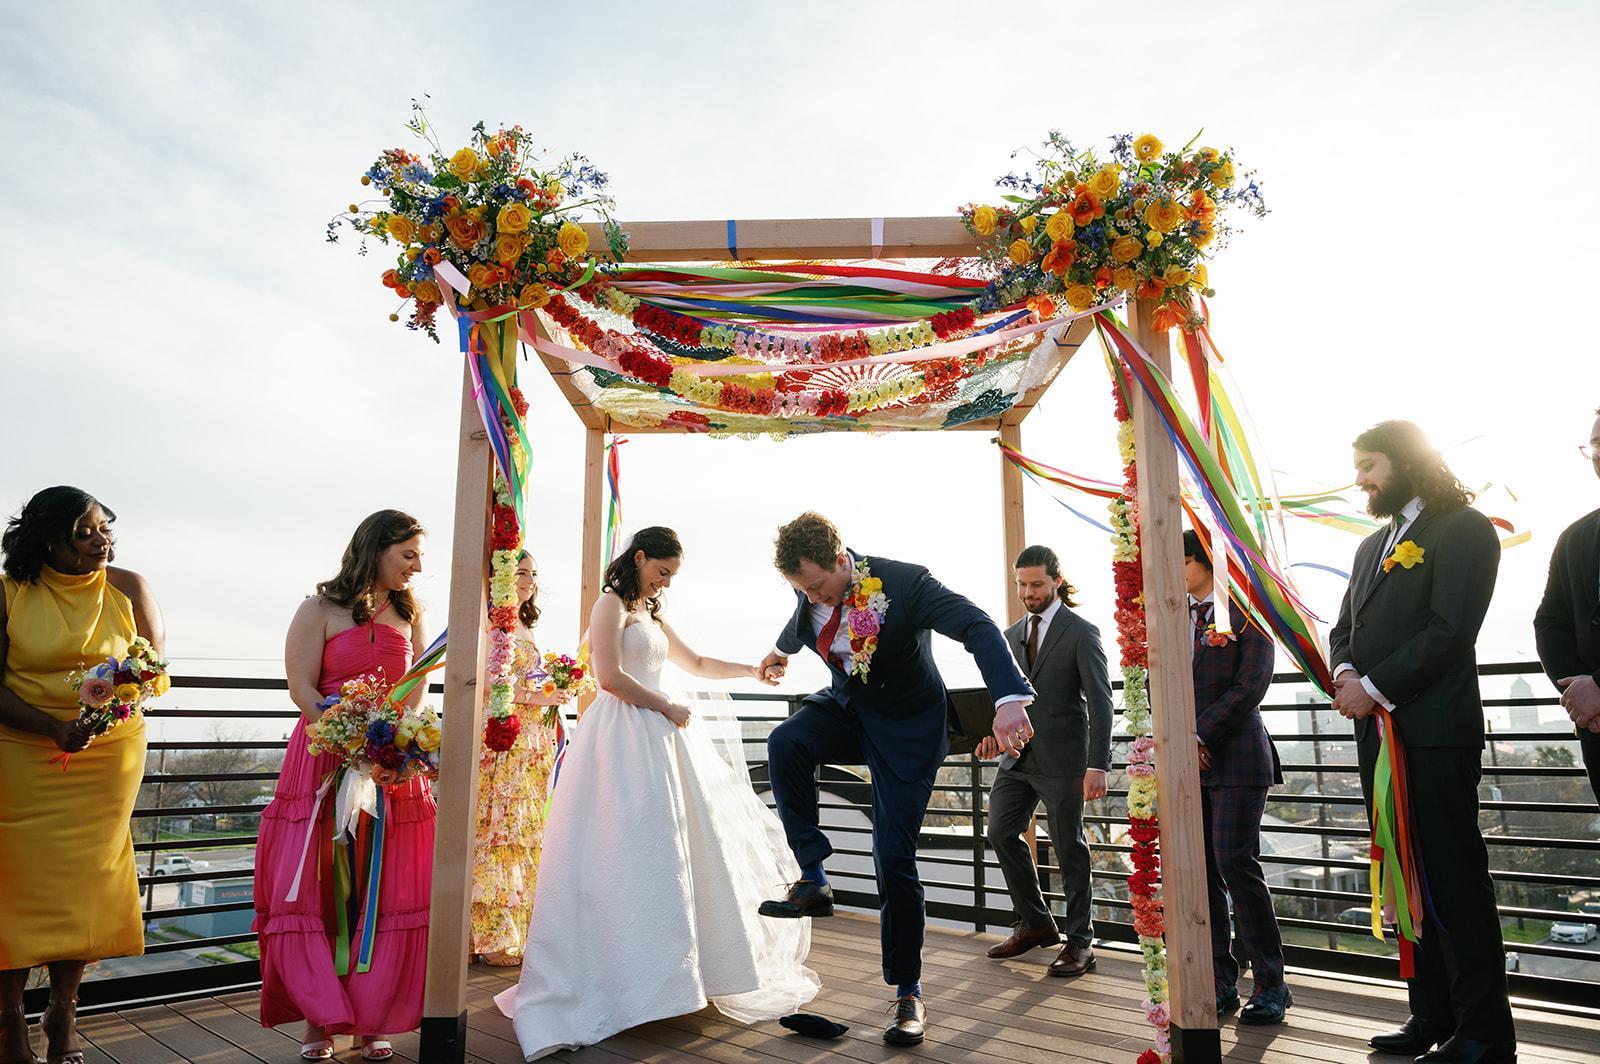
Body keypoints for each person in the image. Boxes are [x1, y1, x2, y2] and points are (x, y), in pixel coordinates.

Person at [496, 527, 818, 1060]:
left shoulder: (651, 612)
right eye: (661, 571)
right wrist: (666, 706)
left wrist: (752, 670)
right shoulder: (609, 605)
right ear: (640, 558)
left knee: (674, 852)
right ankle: (622, 978)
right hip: (622, 737)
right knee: (625, 850)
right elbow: (608, 677)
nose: (664, 582)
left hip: (662, 742)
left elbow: (697, 664)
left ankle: (678, 976)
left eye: (671, 576)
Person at [757, 512, 1035, 1047]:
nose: (813, 596)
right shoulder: (809, 591)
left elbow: (977, 626)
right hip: (849, 710)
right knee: (786, 741)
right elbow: (800, 621)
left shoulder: (906, 584)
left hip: (908, 729)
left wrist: (1007, 699)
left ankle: (908, 993)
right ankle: (813, 876)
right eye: (802, 589)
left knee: (892, 857)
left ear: (842, 560)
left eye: (818, 585)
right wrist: (780, 652)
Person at [1328, 421, 1516, 1063]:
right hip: (1379, 738)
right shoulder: (1370, 546)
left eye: (1369, 464)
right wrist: (1346, 673)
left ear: (1407, 461)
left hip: (1434, 737)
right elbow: (1344, 628)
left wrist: (1375, 687)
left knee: (1453, 880)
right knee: (1404, 876)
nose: (1359, 478)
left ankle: (1485, 1033)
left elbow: (1450, 630)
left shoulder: (1464, 529)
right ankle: (1430, 1014)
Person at [253, 511, 434, 1062]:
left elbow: (417, 690)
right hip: (323, 760)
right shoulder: (318, 609)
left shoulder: (411, 614)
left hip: (390, 765)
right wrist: (346, 738)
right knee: (321, 882)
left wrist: (396, 746)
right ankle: (320, 1019)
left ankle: (374, 1014)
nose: (417, 566)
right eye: (408, 554)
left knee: (386, 886)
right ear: (376, 549)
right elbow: (301, 688)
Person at [1, 487, 164, 1064]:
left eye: (105, 528)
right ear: (49, 539)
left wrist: (104, 714)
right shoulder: (9, 593)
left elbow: (153, 669)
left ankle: (63, 1011)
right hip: (22, 751)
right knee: (18, 885)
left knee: (86, 883)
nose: (101, 541)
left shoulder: (129, 588)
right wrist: (51, 727)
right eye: (85, 532)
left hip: (107, 754)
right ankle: (8, 1021)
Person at [977, 545, 1112, 978]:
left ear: (1057, 581)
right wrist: (988, 736)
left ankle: (1080, 943)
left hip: (1065, 760)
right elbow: (999, 698)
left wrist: (1098, 764)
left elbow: (1101, 701)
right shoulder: (1008, 634)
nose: (1028, 592)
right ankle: (1036, 922)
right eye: (1021, 584)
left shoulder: (1082, 632)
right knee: (1000, 831)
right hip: (1016, 760)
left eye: (1036, 584)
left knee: (1069, 847)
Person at [1181, 529, 1289, 1025]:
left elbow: (1252, 684)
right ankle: (1220, 981)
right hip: (1188, 764)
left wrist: (1200, 735)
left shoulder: (1246, 612)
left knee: (1235, 864)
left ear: (1205, 561)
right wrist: (1180, 742)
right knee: (1201, 870)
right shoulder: (1171, 615)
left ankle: (1271, 984)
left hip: (1239, 758)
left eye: (1181, 561)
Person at [472, 551, 567, 966]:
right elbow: (491, 682)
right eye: (522, 572)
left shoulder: (524, 624)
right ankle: (490, 937)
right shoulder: (495, 622)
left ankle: (514, 928)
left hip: (532, 741)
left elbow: (526, 678)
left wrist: (555, 688)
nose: (529, 580)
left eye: (533, 574)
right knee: (498, 829)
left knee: (523, 831)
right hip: (505, 737)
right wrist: (536, 697)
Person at [1534, 406, 1600, 801]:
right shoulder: (1575, 537)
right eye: (1594, 445)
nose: (1599, 453)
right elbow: (1550, 622)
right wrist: (1582, 696)